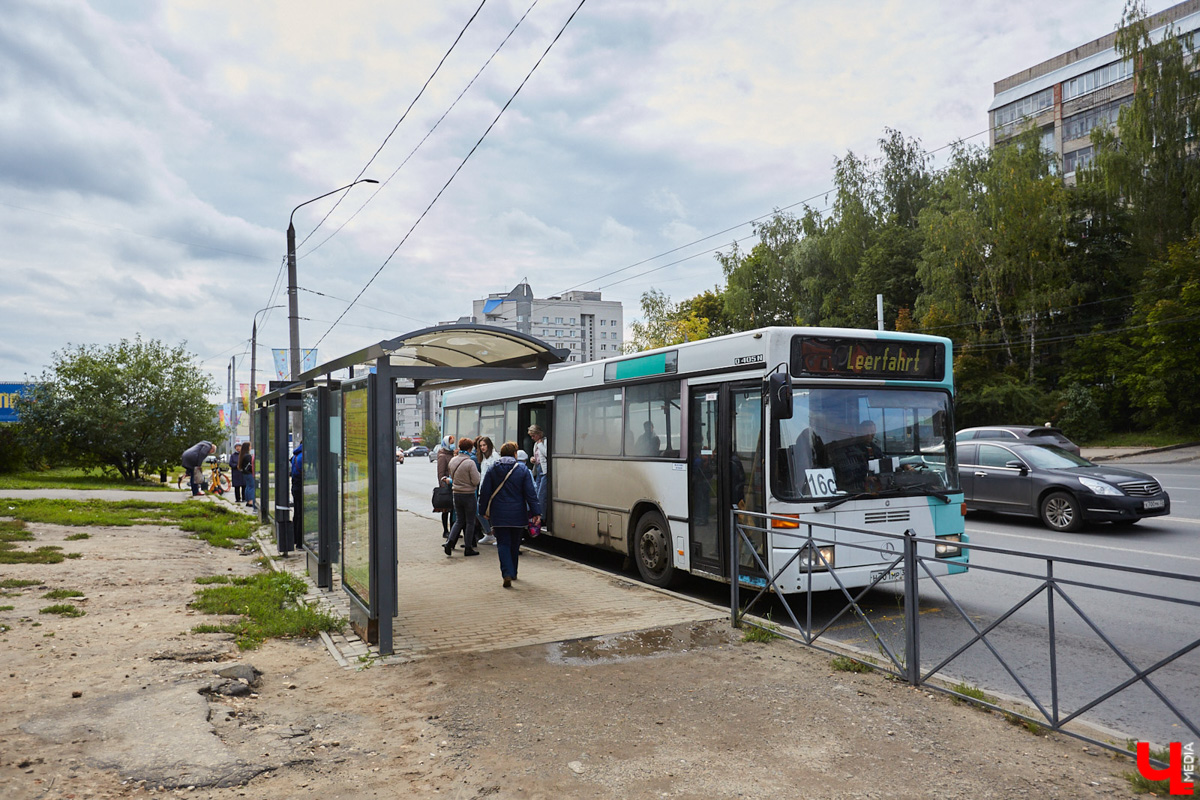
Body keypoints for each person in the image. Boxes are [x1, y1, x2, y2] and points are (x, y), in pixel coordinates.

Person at [477, 440, 540, 588]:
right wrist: (536, 512)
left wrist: (483, 511)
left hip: (498, 514)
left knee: (503, 543)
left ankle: (506, 573)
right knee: (515, 543)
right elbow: (530, 493)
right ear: (515, 453)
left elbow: (485, 492)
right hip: (518, 513)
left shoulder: (493, 468)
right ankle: (514, 572)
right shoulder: (522, 470)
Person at [444, 438, 481, 557]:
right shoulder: (470, 462)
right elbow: (476, 480)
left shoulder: (453, 460)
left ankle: (449, 542)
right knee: (470, 522)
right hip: (468, 495)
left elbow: (452, 477)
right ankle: (468, 548)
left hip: (456, 494)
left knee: (459, 520)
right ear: (470, 448)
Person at [474, 436, 499, 545]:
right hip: (483, 490)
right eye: (481, 446)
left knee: (494, 514)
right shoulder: (483, 457)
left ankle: (498, 536)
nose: (483, 448)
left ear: (489, 445)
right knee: (478, 511)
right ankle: (489, 533)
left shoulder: (494, 456)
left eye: (484, 445)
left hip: (491, 491)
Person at [527, 424, 549, 533]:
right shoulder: (536, 444)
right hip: (538, 469)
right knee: (536, 493)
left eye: (533, 435)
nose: (532, 438)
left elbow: (547, 454)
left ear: (539, 434)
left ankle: (542, 518)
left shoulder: (544, 442)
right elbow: (538, 457)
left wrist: (540, 445)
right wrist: (533, 459)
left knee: (541, 494)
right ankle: (537, 515)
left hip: (545, 471)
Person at [436, 434, 457, 538]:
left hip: (453, 485)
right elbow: (440, 474)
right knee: (446, 510)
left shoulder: (451, 454)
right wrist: (444, 486)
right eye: (451, 443)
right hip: (446, 486)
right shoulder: (442, 456)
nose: (453, 445)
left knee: (452, 510)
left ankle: (453, 531)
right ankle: (445, 530)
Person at [290, 442, 304, 544]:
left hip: (295, 485)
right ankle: (300, 541)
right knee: (301, 514)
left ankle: (295, 538)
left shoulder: (296, 455)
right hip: (300, 485)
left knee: (297, 512)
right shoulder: (303, 457)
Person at [239, 445, 257, 510]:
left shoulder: (242, 455)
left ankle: (248, 500)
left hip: (245, 473)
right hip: (249, 473)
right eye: (249, 446)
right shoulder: (248, 456)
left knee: (248, 486)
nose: (251, 447)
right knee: (252, 487)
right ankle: (251, 501)